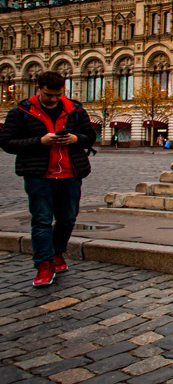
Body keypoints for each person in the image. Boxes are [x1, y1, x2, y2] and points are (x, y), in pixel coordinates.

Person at [0, 70, 96, 287]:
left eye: (58, 95)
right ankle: (44, 264)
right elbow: (7, 142)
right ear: (38, 89)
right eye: (49, 95)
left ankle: (57, 253)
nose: (53, 99)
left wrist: (75, 138)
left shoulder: (76, 110)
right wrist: (40, 141)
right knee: (42, 219)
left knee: (67, 219)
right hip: (39, 175)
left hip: (70, 173)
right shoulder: (21, 112)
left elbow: (90, 136)